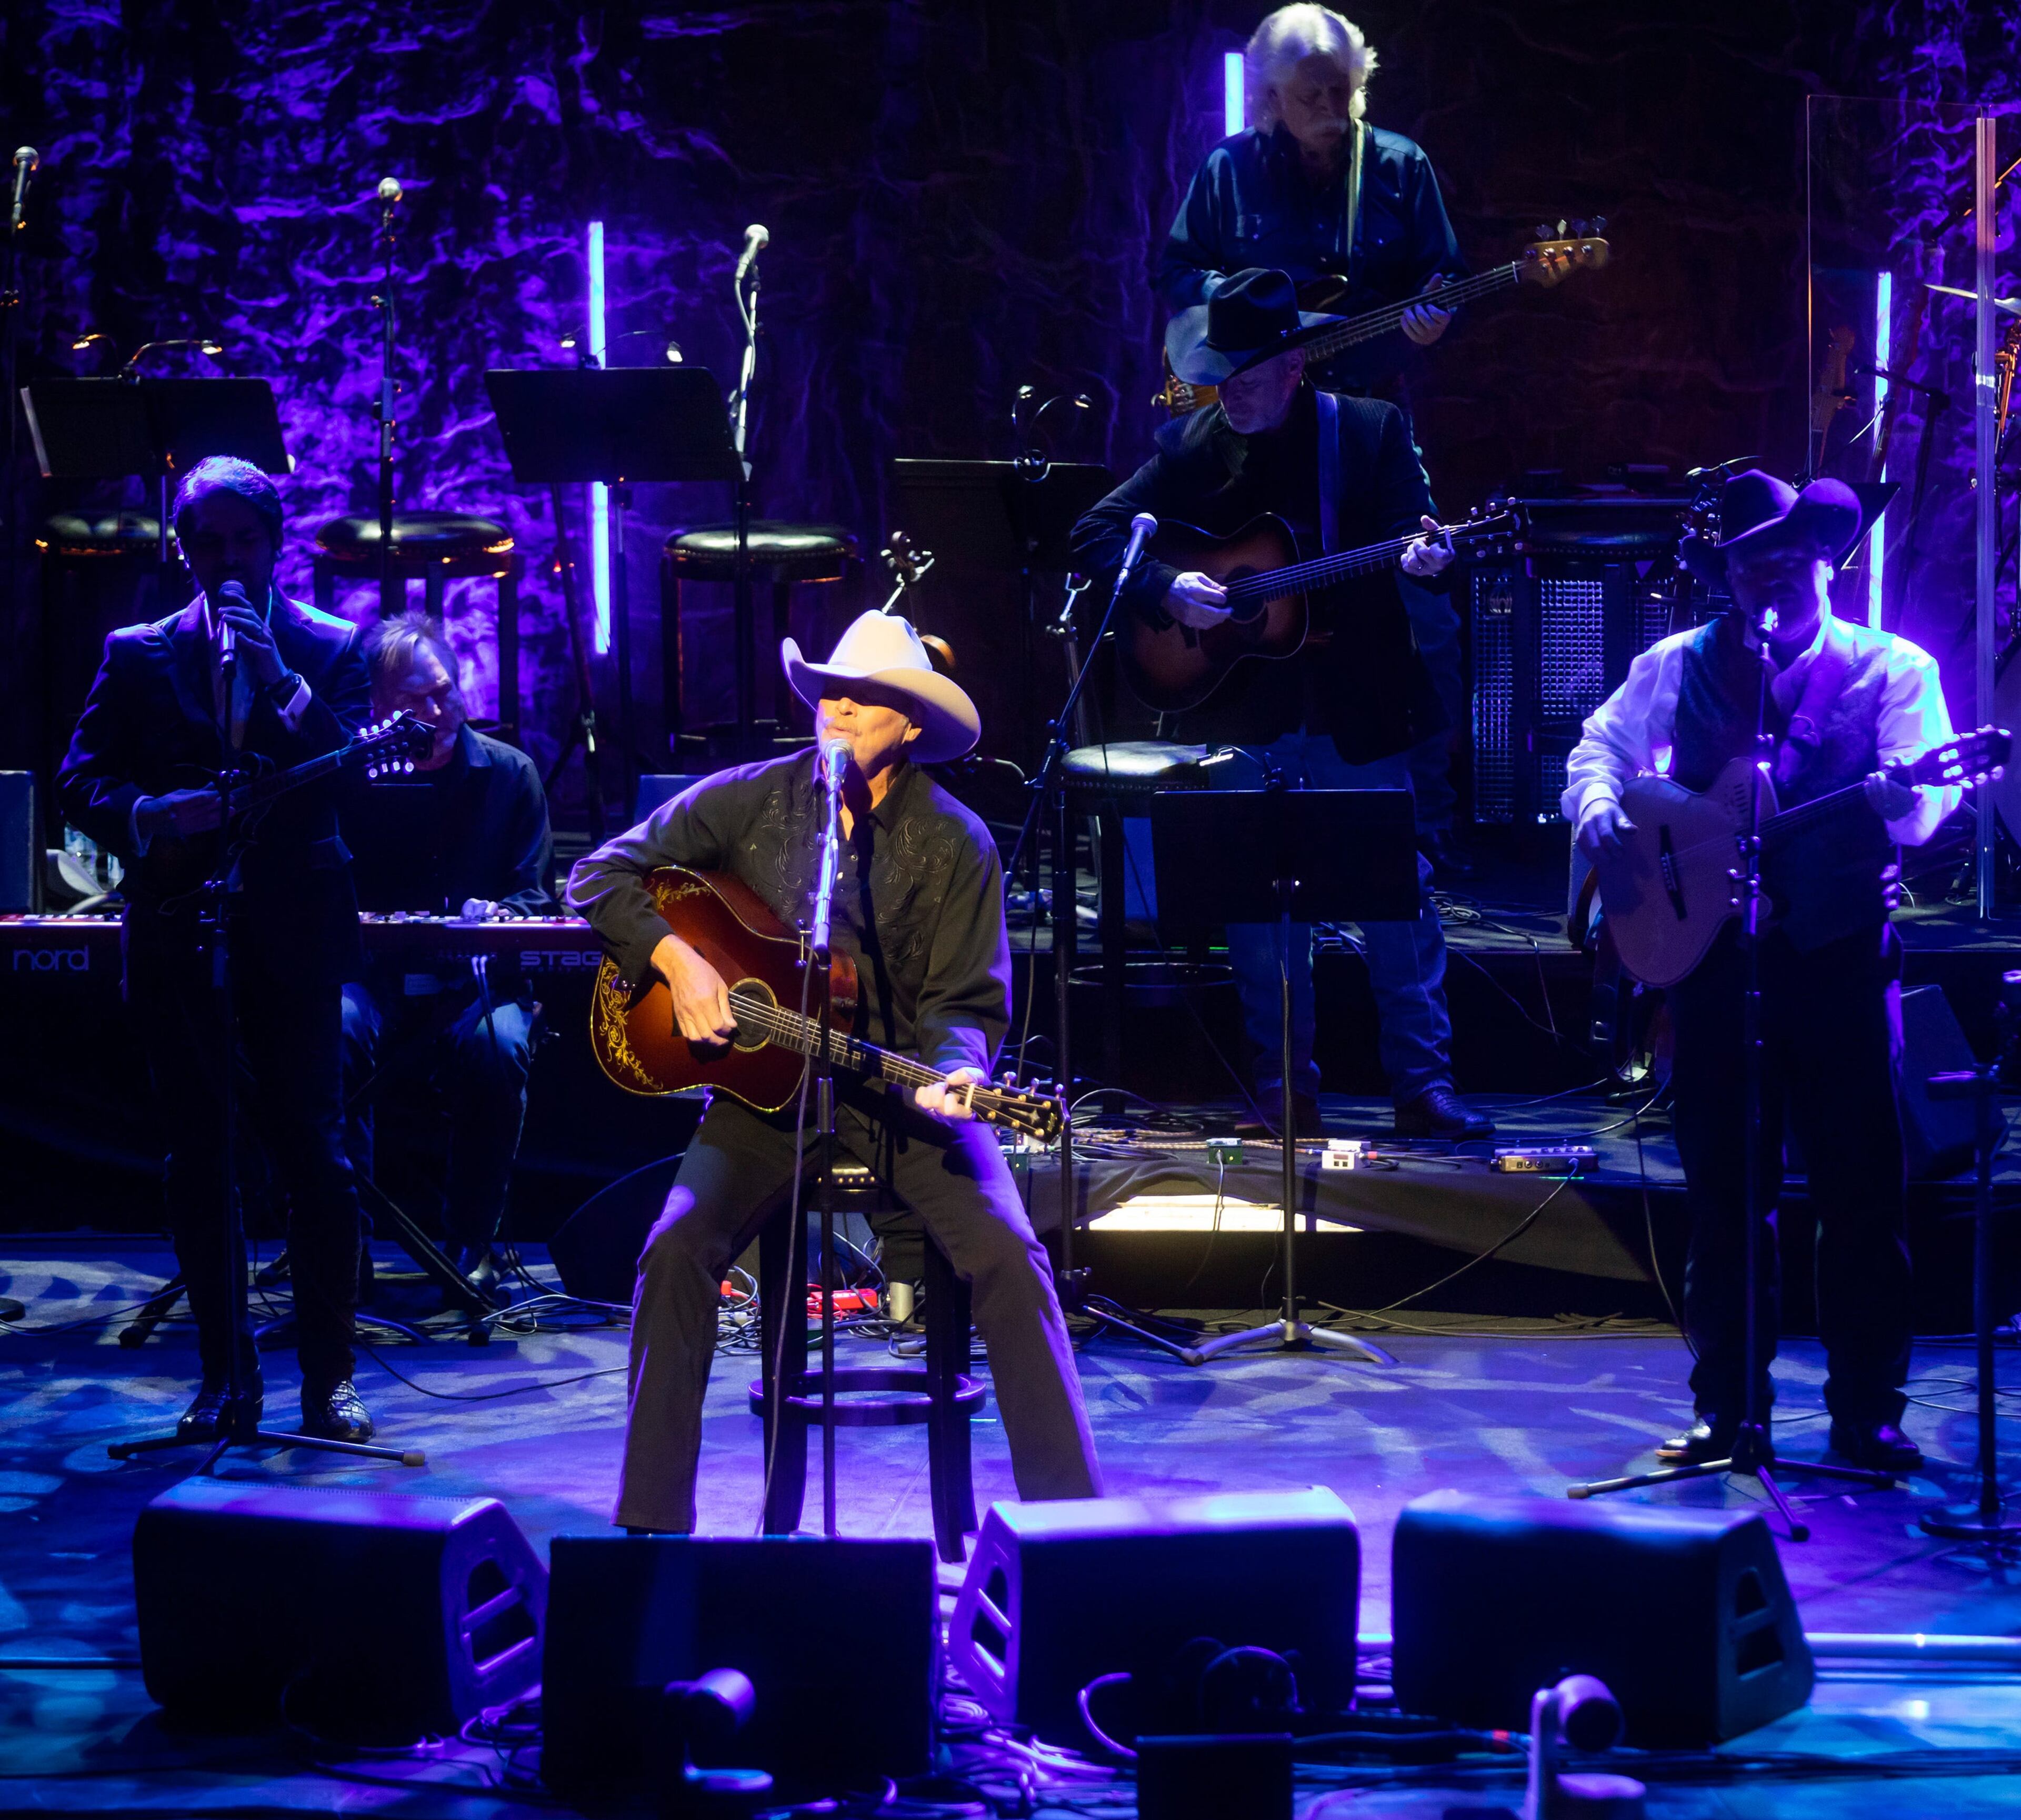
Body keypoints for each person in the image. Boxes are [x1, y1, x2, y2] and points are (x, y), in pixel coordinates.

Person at [567, 611, 1102, 1533]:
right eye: (830, 694)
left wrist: (953, 1075)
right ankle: (650, 1535)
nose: (839, 710)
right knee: (673, 1251)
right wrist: (677, 960)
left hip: (906, 1103)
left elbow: (966, 1008)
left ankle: (1076, 1534)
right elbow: (599, 875)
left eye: (864, 699)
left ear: (911, 725)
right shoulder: (754, 798)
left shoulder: (957, 841)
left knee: (1012, 1259)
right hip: (762, 1103)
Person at [1564, 471, 1958, 1473]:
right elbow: (1599, 746)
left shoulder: (1893, 669)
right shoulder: (1675, 662)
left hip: (1837, 964)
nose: (1771, 578)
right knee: (1727, 1202)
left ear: (1826, 563)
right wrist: (1601, 805)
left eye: (1789, 559)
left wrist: (1904, 799)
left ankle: (1867, 1412)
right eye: (1751, 563)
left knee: (1861, 1198)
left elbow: (1924, 810)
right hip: (1711, 967)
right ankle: (1726, 1412)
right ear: (1728, 576)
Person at [1071, 268, 1492, 1143]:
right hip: (1242, 714)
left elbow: (1422, 536)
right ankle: (1283, 1092)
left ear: (1296, 365)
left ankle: (1423, 1085)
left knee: (1396, 908)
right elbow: (1093, 534)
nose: (1232, 392)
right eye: (1221, 374)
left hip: (1357, 710)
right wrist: (1164, 587)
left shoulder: (1369, 433)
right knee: (1261, 922)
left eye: (1250, 375)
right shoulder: (1191, 446)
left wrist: (1430, 559)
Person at [56, 456, 378, 1443]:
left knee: (317, 1159)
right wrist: (150, 813)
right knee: (200, 1158)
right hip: (179, 931)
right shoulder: (139, 650)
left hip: (295, 928)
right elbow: (83, 779)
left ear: (274, 543)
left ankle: (328, 1381)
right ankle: (223, 1380)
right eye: (211, 543)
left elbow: (354, 781)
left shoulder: (328, 646)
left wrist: (279, 683)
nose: (229, 562)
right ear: (184, 547)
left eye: (247, 541)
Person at [1156, 4, 1472, 877]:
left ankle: (1425, 832)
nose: (1331, 103)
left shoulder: (1400, 167)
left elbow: (1441, 273)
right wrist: (1259, 313)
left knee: (1421, 604)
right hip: (1255, 424)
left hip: (1362, 424)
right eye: (1310, 93)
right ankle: (1231, 816)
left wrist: (1432, 317)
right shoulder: (1227, 171)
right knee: (1247, 601)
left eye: (1342, 87)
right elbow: (1177, 276)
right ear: (1268, 96)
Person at [338, 612, 556, 1299]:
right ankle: (344, 1245)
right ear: (377, 707)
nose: (437, 711)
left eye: (445, 692)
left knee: (499, 1046)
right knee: (329, 1033)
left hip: (472, 985)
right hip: (374, 980)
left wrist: (498, 917)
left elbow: (535, 897)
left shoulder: (510, 774)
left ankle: (473, 1242)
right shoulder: (352, 780)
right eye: (415, 700)